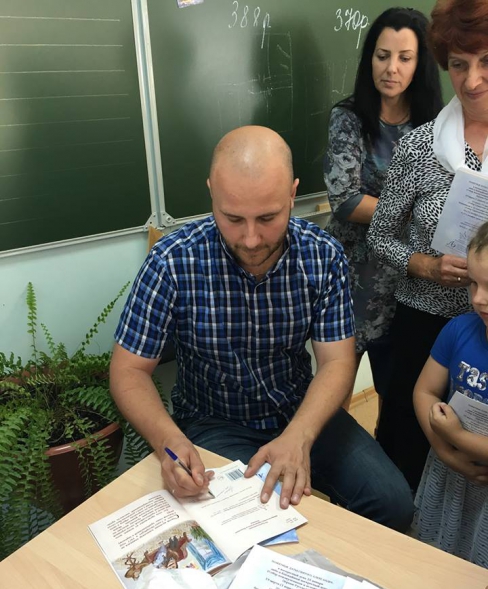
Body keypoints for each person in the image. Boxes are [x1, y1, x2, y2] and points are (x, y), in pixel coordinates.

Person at [109, 125, 413, 532]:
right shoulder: (172, 262)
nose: (251, 239)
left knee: (393, 503)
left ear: (292, 194)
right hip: (215, 420)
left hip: (300, 408)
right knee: (247, 526)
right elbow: (128, 369)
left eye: (268, 218)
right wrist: (170, 442)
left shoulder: (322, 256)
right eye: (233, 218)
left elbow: (337, 362)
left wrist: (299, 436)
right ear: (212, 195)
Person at [367, 0, 488, 492]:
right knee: (409, 449)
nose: (472, 80)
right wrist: (422, 264)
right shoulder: (419, 147)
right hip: (423, 323)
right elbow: (379, 236)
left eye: (486, 61)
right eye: (458, 64)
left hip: (485, 329)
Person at [324, 7, 442, 411]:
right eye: (382, 55)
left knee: (399, 395)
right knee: (335, 390)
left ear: (420, 64)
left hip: (410, 277)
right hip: (353, 275)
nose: (391, 68)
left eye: (404, 58)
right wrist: (413, 209)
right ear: (369, 59)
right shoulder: (349, 117)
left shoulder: (436, 125)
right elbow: (346, 200)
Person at [412, 223, 488, 567]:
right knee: (439, 559)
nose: (478, 298)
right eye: (474, 283)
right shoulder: (459, 329)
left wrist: (456, 437)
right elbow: (425, 390)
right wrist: (445, 450)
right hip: (451, 475)